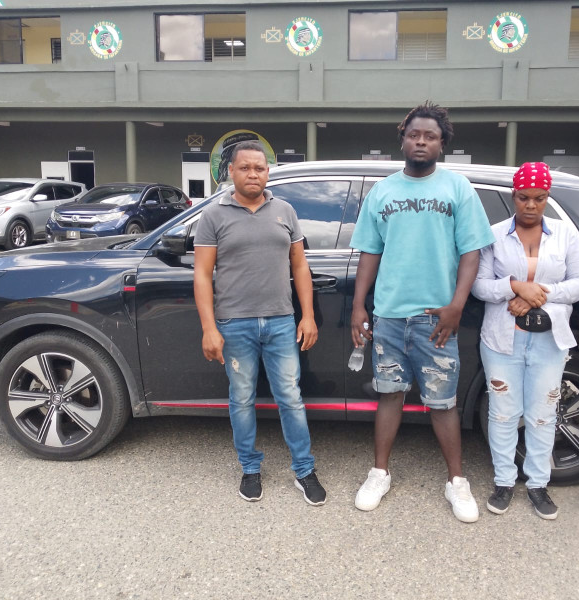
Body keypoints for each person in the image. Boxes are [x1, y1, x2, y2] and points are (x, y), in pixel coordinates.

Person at [350, 102, 495, 522]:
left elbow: (471, 252)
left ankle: (457, 481)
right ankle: (379, 473)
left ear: (442, 144)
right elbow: (370, 252)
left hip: (436, 319)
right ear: (402, 139)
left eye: (430, 136)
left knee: (443, 402)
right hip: (389, 315)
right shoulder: (383, 192)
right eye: (414, 134)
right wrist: (359, 304)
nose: (421, 142)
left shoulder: (457, 189)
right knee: (389, 394)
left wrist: (456, 306)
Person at [193, 140, 326, 506]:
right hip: (234, 323)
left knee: (291, 398)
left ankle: (304, 470)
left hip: (281, 321)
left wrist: (308, 316)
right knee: (241, 399)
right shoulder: (213, 215)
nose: (253, 174)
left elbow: (300, 266)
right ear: (231, 172)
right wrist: (209, 328)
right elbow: (202, 275)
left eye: (260, 168)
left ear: (268, 172)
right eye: (245, 167)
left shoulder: (285, 210)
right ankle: (250, 468)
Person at [472, 162, 579, 520]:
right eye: (524, 197)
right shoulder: (494, 235)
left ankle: (538, 484)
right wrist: (513, 286)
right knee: (503, 413)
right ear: (514, 196)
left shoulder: (565, 234)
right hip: (501, 341)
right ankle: (504, 481)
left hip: (549, 341)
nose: (531, 205)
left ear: (547, 197)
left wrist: (539, 294)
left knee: (542, 414)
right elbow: (479, 285)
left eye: (539, 198)